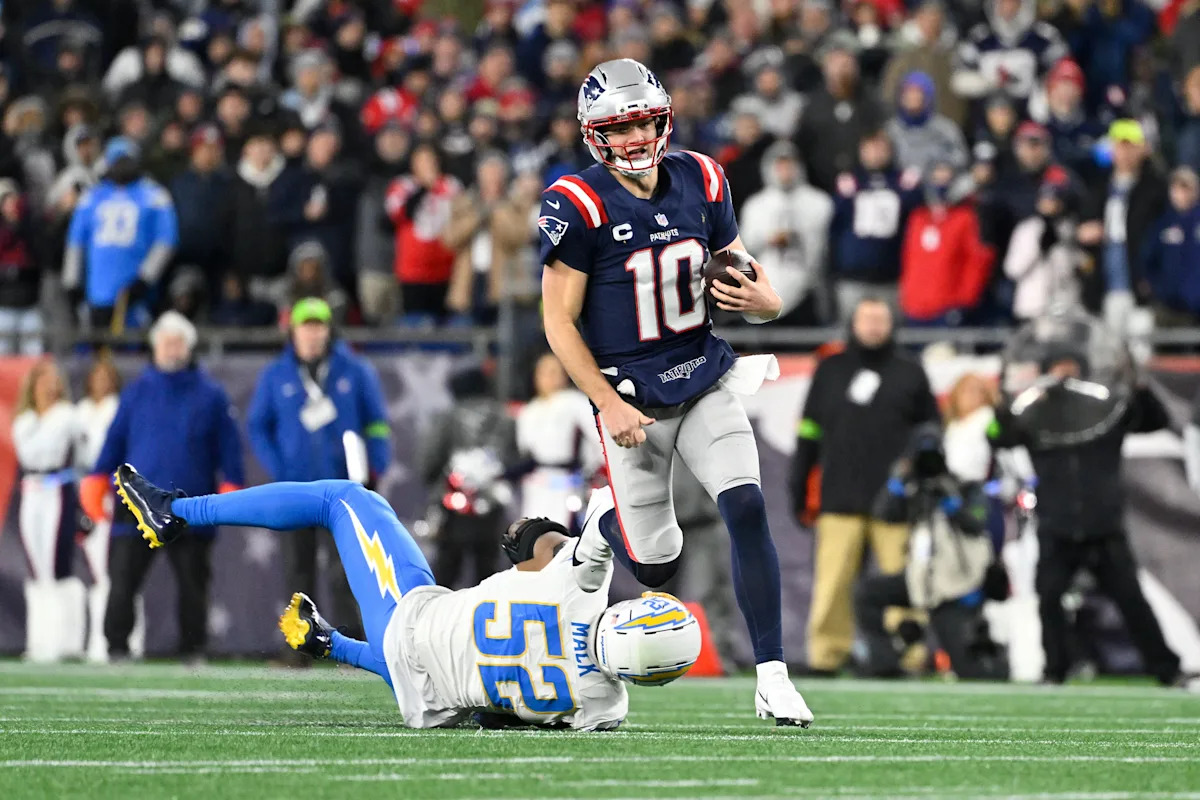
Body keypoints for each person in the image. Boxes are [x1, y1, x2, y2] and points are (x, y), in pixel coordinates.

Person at [539, 58, 813, 726]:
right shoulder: (577, 203)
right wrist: (607, 402)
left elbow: (744, 276)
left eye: (644, 121)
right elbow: (558, 322)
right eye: (619, 126)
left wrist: (768, 303)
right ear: (595, 134)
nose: (635, 137)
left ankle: (773, 677)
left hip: (702, 374)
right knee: (656, 566)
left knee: (746, 504)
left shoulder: (703, 177)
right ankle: (603, 525)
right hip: (632, 399)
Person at [114, 466, 701, 729]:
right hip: (434, 703)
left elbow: (604, 515)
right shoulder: (603, 707)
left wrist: (642, 556)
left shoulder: (580, 582)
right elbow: (518, 722)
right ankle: (331, 644)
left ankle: (179, 512)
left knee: (344, 499)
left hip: (413, 621)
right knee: (456, 677)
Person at [989, 347, 1197, 689]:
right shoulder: (1036, 417)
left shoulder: (1104, 412)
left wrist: (1139, 388)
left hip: (1103, 526)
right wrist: (1004, 401)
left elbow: (1154, 420)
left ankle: (1168, 669)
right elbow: (997, 435)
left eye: (1071, 370)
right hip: (1057, 525)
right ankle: (1054, 670)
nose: (1065, 378)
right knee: (1049, 600)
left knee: (1132, 602)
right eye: (1058, 370)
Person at [81, 312, 244, 663]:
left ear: (189, 347)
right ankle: (116, 648)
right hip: (135, 502)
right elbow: (115, 441)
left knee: (193, 583)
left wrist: (232, 483)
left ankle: (193, 650)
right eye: (166, 342)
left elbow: (229, 447)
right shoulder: (136, 392)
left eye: (178, 342)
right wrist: (97, 477)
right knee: (122, 580)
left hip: (190, 505)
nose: (172, 349)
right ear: (155, 347)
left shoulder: (212, 394)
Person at [789, 297, 940, 674]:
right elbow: (808, 431)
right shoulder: (830, 370)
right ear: (852, 323)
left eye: (880, 319)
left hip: (897, 502)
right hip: (839, 497)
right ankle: (827, 657)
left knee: (903, 584)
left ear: (892, 324)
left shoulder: (911, 371)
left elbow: (932, 433)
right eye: (866, 319)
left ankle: (907, 656)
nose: (873, 326)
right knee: (832, 584)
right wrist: (798, 484)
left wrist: (923, 484)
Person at [247, 297, 391, 651]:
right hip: (296, 490)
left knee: (347, 571)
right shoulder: (276, 374)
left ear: (329, 331)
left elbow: (376, 423)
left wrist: (376, 467)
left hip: (342, 490)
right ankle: (300, 650)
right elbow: (257, 426)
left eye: (318, 327)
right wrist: (279, 469)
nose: (312, 334)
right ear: (293, 331)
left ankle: (352, 648)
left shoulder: (354, 370)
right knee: (298, 571)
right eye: (306, 327)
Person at [855, 424, 1007, 680]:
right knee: (867, 594)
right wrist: (898, 482)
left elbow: (977, 523)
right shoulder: (913, 487)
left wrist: (951, 501)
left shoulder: (964, 486)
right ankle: (884, 663)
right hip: (920, 581)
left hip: (954, 588)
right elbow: (885, 514)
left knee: (972, 672)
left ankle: (995, 662)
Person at [12, 358, 86, 662]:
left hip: (58, 488)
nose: (49, 387)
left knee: (57, 563)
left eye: (54, 380)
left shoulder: (68, 415)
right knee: (36, 564)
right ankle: (39, 640)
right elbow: (28, 454)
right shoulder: (24, 421)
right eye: (43, 381)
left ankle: (65, 641)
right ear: (33, 385)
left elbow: (83, 454)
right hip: (32, 490)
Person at [62, 137, 179, 329]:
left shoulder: (154, 196)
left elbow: (166, 242)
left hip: (136, 292)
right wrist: (72, 283)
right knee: (98, 344)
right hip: (97, 293)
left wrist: (145, 279)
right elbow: (75, 243)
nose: (122, 166)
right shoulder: (93, 197)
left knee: (133, 342)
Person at [419, 365, 516, 588]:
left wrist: (434, 482)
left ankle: (439, 610)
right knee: (489, 569)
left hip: (453, 504)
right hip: (493, 504)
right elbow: (513, 459)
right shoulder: (504, 417)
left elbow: (430, 459)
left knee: (447, 567)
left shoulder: (446, 418)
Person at [738, 141, 834, 326]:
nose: (785, 172)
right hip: (765, 286)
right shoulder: (755, 205)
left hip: (808, 289)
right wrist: (768, 239)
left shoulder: (820, 202)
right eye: (780, 166)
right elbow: (743, 247)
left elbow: (826, 249)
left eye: (789, 166)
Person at [898, 161, 995, 325]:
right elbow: (908, 260)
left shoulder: (967, 218)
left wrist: (964, 302)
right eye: (937, 176)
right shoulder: (917, 218)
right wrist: (906, 298)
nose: (941, 182)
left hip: (948, 310)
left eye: (946, 176)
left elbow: (978, 261)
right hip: (914, 308)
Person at [74, 357, 125, 663]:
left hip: (111, 489)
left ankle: (117, 637)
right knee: (95, 566)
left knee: (112, 567)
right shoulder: (80, 410)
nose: (102, 382)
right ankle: (96, 637)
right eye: (97, 376)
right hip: (85, 490)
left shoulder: (119, 407)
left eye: (107, 376)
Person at [515, 352, 601, 528]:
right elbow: (523, 448)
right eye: (544, 372)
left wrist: (592, 472)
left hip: (568, 482)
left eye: (554, 372)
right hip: (536, 483)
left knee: (564, 534)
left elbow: (598, 438)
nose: (549, 378)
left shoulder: (576, 402)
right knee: (533, 533)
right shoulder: (529, 410)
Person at [1004, 166, 1084, 321]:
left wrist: (1065, 247)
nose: (1049, 205)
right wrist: (1038, 248)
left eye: (1054, 200)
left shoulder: (1067, 228)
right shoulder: (1027, 230)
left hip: (1063, 309)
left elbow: (1073, 269)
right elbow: (1012, 270)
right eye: (1046, 199)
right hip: (1031, 308)